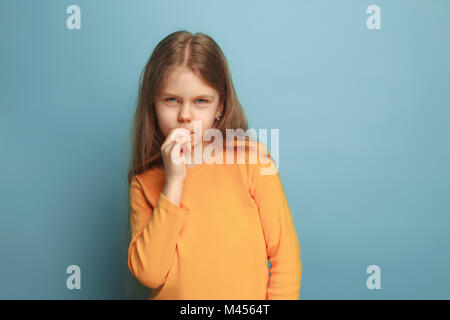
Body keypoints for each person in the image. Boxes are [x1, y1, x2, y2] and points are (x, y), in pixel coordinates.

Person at [127, 30, 302, 300]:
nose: (185, 115)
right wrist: (173, 182)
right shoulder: (144, 183)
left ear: (219, 106)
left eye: (201, 101)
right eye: (171, 100)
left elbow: (285, 257)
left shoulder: (251, 162)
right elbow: (149, 273)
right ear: (153, 104)